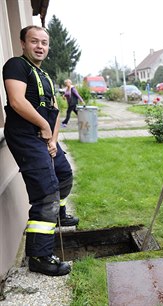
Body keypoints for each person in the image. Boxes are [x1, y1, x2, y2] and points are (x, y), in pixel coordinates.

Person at [2, 25, 79, 276]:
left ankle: (60, 214)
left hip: (44, 138)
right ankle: (39, 256)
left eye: (44, 42)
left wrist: (53, 139)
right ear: (23, 43)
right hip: (26, 137)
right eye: (34, 41)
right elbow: (17, 101)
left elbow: (55, 111)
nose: (40, 46)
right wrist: (43, 126)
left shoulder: (44, 75)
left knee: (64, 174)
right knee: (46, 193)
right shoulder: (16, 65)